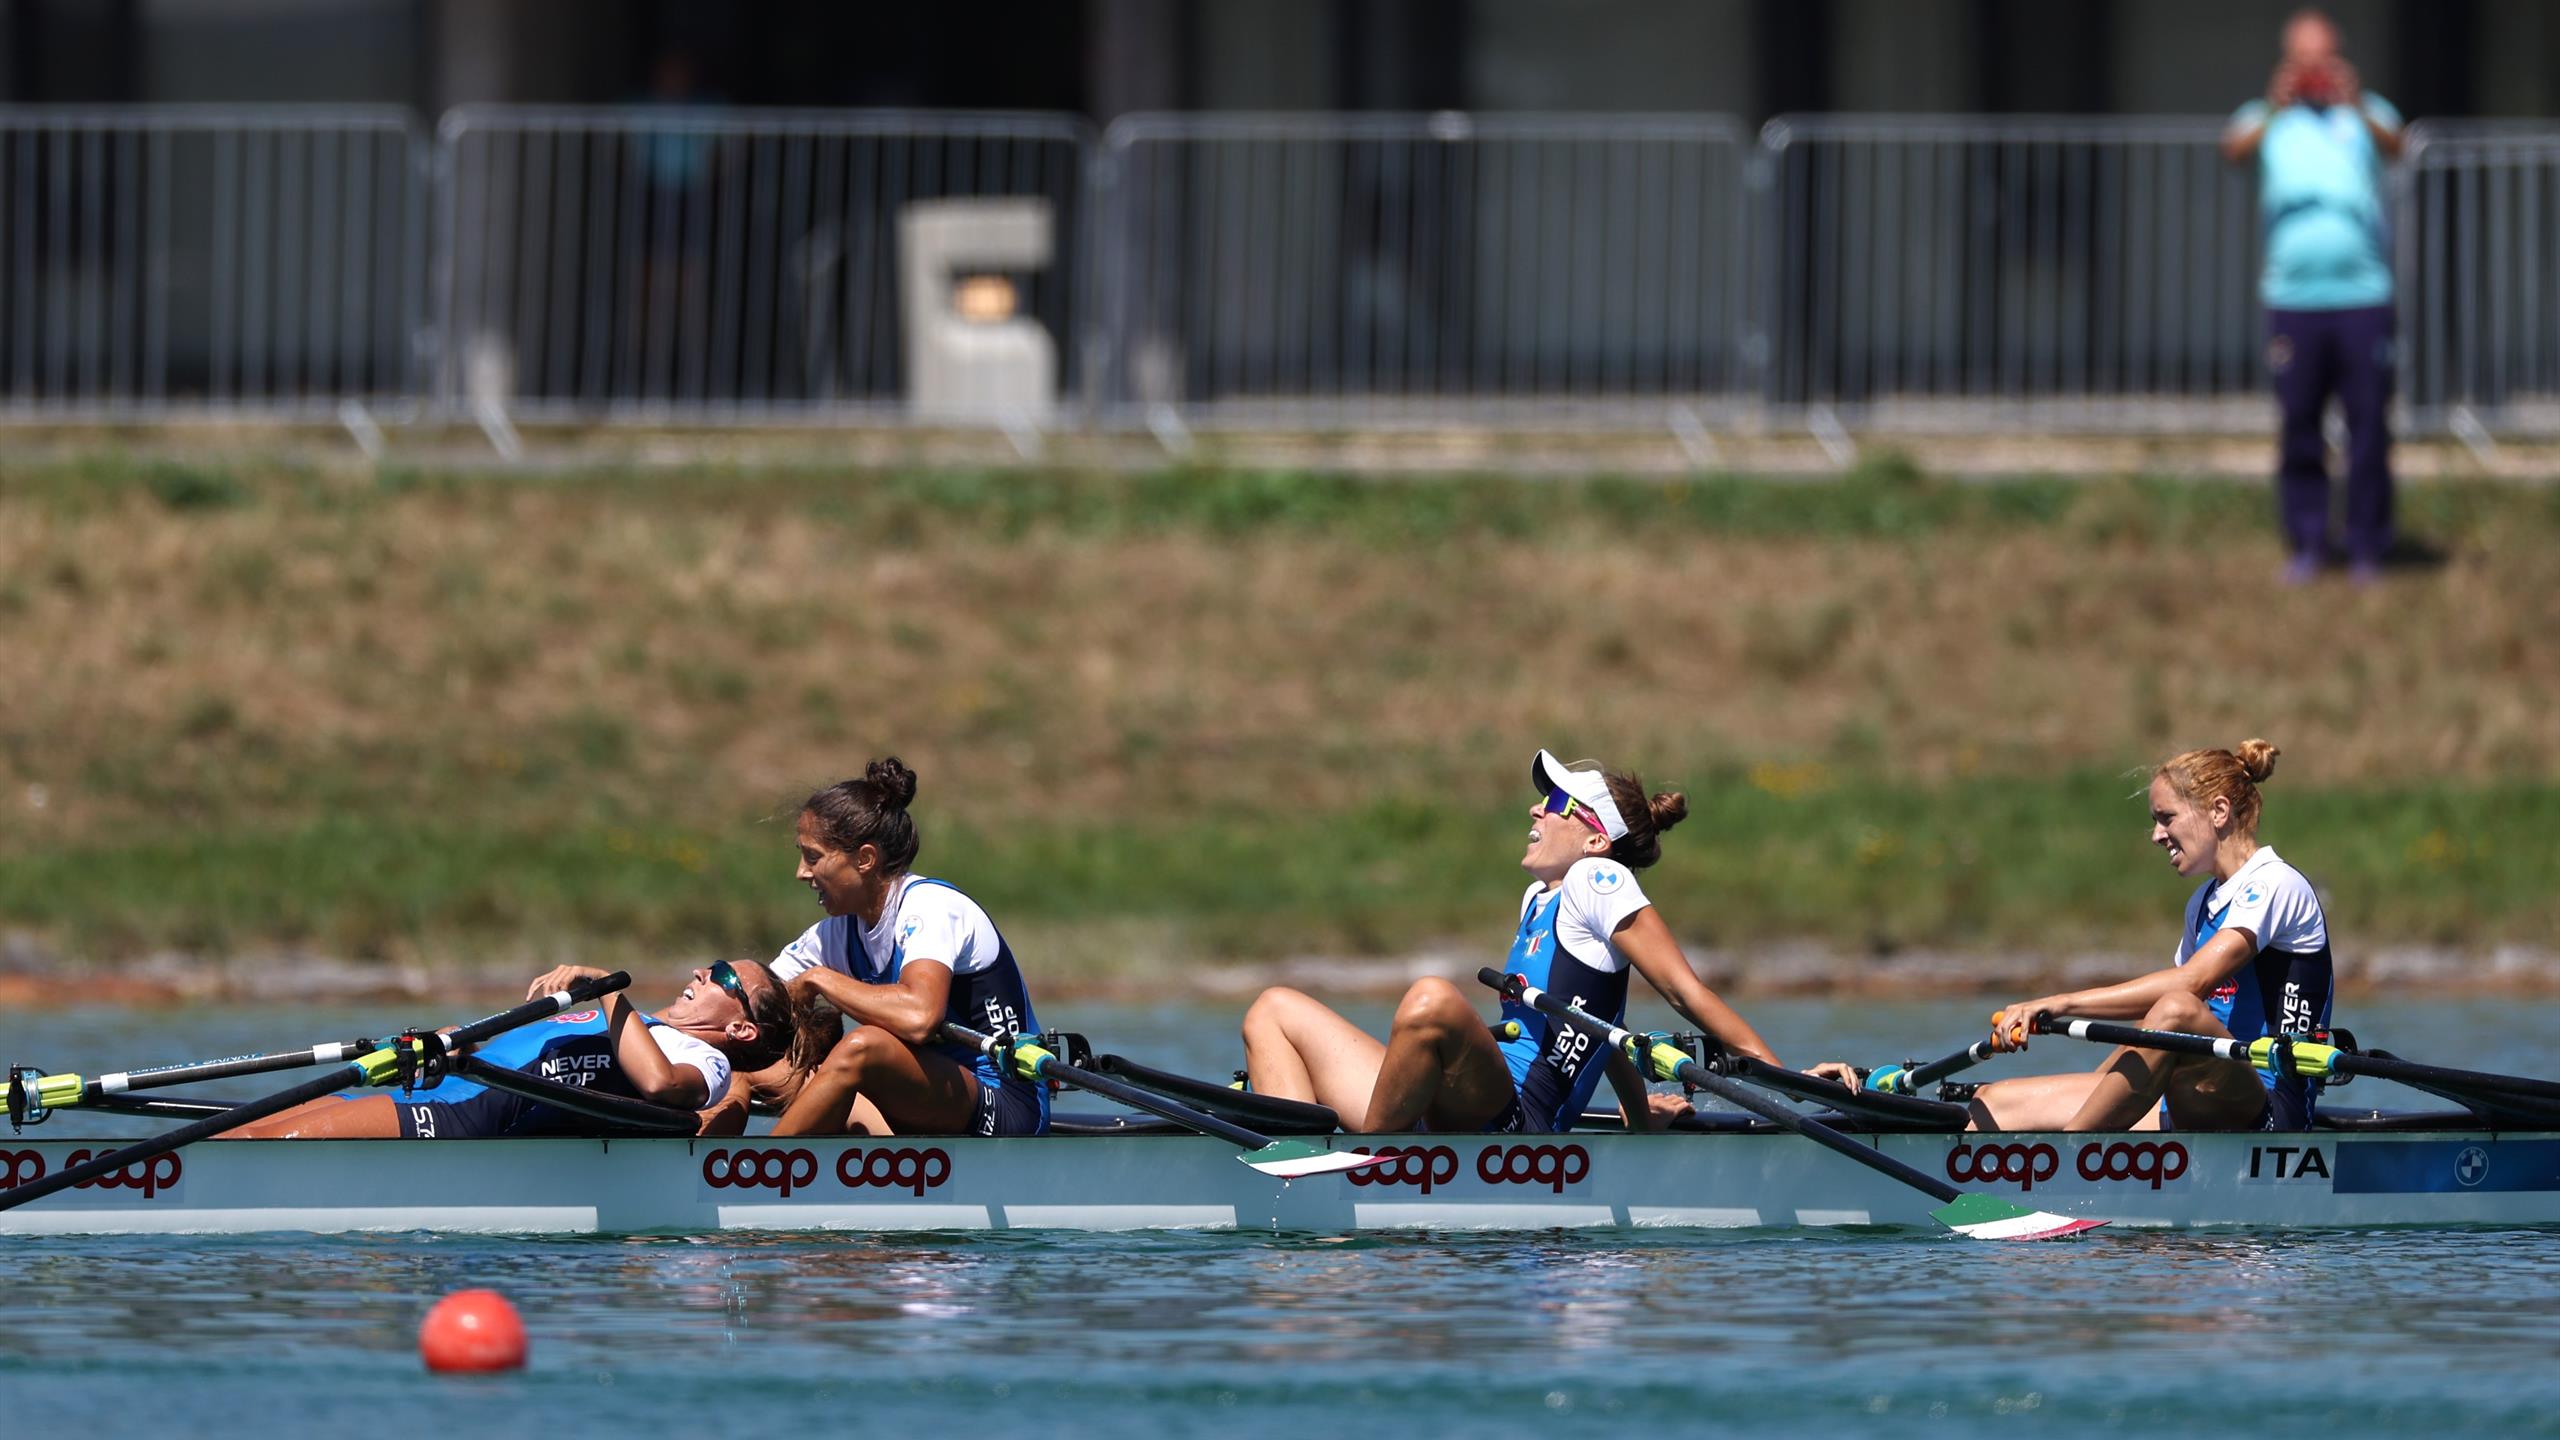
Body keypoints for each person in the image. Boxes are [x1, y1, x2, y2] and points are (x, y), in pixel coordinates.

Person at [1240, 750, 1780, 1134]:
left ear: (1595, 841)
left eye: (1557, 802)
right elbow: (1601, 1024)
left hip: (1521, 1119)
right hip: (1472, 1103)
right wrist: (1641, 1115)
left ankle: (1372, 1163)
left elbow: (1685, 991)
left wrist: (1787, 1077)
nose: (1536, 809)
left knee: (1432, 999)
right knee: (1273, 1009)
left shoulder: (1600, 879)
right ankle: (1293, 1156)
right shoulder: (1537, 901)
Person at [1969, 740, 2334, 1133]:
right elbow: (2153, 1017)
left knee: (2177, 1008)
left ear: (2219, 811)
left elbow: (2189, 985)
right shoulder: (2203, 903)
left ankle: (2072, 1154)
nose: (2157, 835)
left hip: (2270, 1108)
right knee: (1994, 1102)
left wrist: (2059, 1003)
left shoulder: (2275, 884)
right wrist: (2103, 1087)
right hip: (2198, 1092)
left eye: (2167, 817)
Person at [765, 757, 1051, 1137]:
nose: (801, 872)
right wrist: (667, 1029)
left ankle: (755, 1173)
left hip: (1005, 1107)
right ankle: (703, 1159)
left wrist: (819, 979)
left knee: (862, 1046)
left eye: (813, 857)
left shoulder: (930, 907)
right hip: (928, 1103)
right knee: (753, 1067)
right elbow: (755, 999)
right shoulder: (836, 935)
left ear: (865, 859)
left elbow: (920, 1018)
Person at [2222, 8, 2405, 585]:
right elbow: (2233, 151)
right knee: (2299, 423)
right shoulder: (2267, 119)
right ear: (2286, 62)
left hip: (2363, 295)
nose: (2313, 72)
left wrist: (2353, 101)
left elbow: (2397, 145)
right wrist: (2276, 103)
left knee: (2369, 424)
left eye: (2321, 59)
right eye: (2302, 61)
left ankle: (2367, 546)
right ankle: (2306, 541)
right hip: (2293, 299)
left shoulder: (2364, 114)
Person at [223, 959, 795, 1139]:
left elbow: (659, 1087)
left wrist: (606, 988)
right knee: (249, 1128)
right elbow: (513, 1044)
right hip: (447, 1085)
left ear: (742, 1029)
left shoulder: (707, 1061)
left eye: (722, 975)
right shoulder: (635, 1019)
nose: (701, 969)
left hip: (464, 1119)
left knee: (265, 1139)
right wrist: (444, 1044)